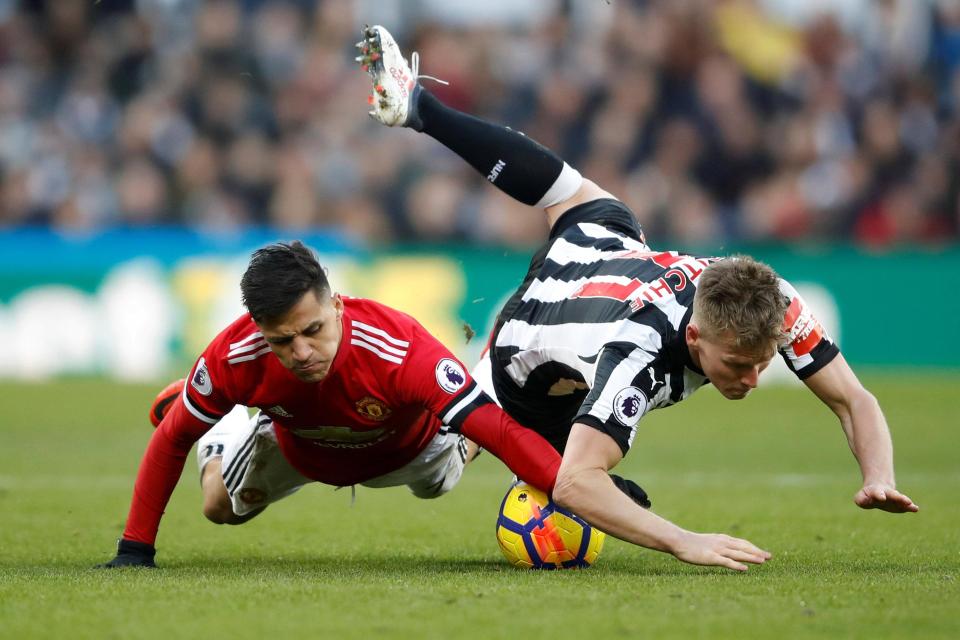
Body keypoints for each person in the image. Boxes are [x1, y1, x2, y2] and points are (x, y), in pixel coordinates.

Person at [358, 25, 918, 571]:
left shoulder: (772, 300)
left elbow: (853, 399)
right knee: (439, 472)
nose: (751, 379)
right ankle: (340, 421)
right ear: (694, 336)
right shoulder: (640, 352)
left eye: (761, 364)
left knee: (571, 191)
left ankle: (419, 108)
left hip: (599, 241)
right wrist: (683, 541)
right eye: (738, 365)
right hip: (527, 344)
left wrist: (879, 476)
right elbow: (577, 483)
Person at [98, 241, 602, 568]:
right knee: (216, 508)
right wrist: (134, 550)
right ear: (258, 329)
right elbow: (172, 437)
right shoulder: (236, 355)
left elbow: (498, 430)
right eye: (281, 340)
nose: (300, 353)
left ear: (336, 304)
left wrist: (578, 485)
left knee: (442, 477)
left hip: (413, 449)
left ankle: (473, 390)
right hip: (300, 449)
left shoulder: (401, 350)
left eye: (313, 330)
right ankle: (221, 428)